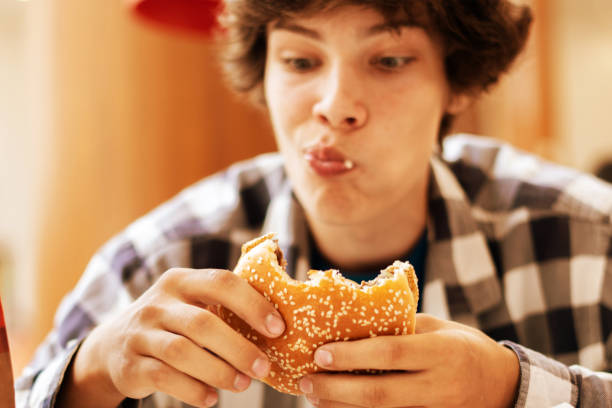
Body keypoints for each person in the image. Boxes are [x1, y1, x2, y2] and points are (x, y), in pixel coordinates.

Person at [16, 0, 612, 407]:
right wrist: (91, 376)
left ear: (456, 79)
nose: (335, 104)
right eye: (301, 61)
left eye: (388, 60)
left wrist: (515, 390)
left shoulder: (590, 239)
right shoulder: (158, 260)